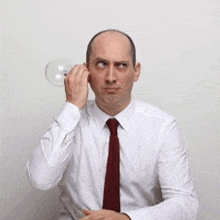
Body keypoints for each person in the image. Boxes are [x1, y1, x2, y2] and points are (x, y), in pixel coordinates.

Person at [27, 29, 199, 220]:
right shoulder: (70, 122)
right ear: (86, 70)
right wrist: (72, 106)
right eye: (101, 64)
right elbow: (40, 179)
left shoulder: (162, 127)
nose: (110, 77)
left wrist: (127, 218)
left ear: (136, 71)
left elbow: (185, 204)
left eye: (121, 65)